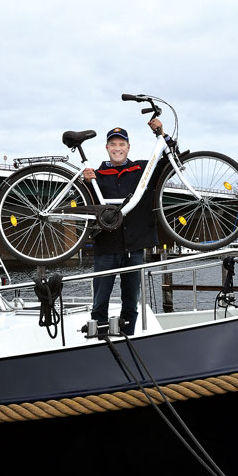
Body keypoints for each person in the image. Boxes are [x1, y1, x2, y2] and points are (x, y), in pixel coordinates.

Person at [83, 118, 163, 334]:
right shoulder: (96, 176)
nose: (117, 148)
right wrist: (85, 182)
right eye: (113, 144)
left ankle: (128, 336)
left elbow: (169, 159)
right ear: (107, 148)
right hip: (106, 246)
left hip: (134, 247)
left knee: (131, 301)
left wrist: (160, 133)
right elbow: (85, 207)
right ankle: (100, 339)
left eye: (121, 144)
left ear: (128, 147)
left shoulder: (143, 170)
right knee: (100, 301)